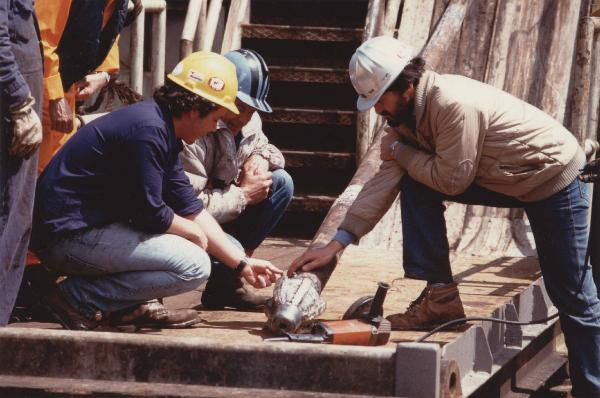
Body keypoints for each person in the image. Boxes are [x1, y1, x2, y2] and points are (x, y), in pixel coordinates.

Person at [288, 36, 600, 396]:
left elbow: (452, 180)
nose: (377, 111)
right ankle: (441, 298)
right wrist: (337, 243)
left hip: (553, 180)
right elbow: (385, 178)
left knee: (573, 294)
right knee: (415, 181)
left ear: (403, 85)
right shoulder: (406, 114)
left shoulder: (451, 104)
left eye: (379, 101)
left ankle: (591, 388)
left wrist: (401, 154)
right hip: (511, 176)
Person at [31, 51, 282, 331]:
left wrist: (243, 264)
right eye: (215, 117)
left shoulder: (163, 128)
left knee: (222, 248)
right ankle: (73, 298)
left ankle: (125, 306)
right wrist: (191, 232)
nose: (215, 126)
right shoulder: (148, 131)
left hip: (92, 228)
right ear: (194, 109)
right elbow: (148, 211)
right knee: (194, 264)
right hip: (65, 237)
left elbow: (189, 206)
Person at [181, 48, 293, 311]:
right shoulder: (194, 130)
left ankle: (225, 286)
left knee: (280, 183)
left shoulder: (249, 123)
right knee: (230, 246)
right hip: (193, 218)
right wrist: (243, 195)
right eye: (238, 107)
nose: (243, 118)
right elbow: (186, 206)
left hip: (223, 205)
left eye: (251, 111)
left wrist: (260, 157)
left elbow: (269, 150)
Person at [35, 0, 136, 173]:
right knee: (36, 176)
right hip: (36, 87)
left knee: (56, 173)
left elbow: (112, 21)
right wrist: (55, 96)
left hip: (66, 87)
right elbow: (39, 35)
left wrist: (104, 73)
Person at [0, 0, 43, 326]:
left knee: (16, 214)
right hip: (11, 101)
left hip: (19, 91)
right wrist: (19, 102)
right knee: (9, 215)